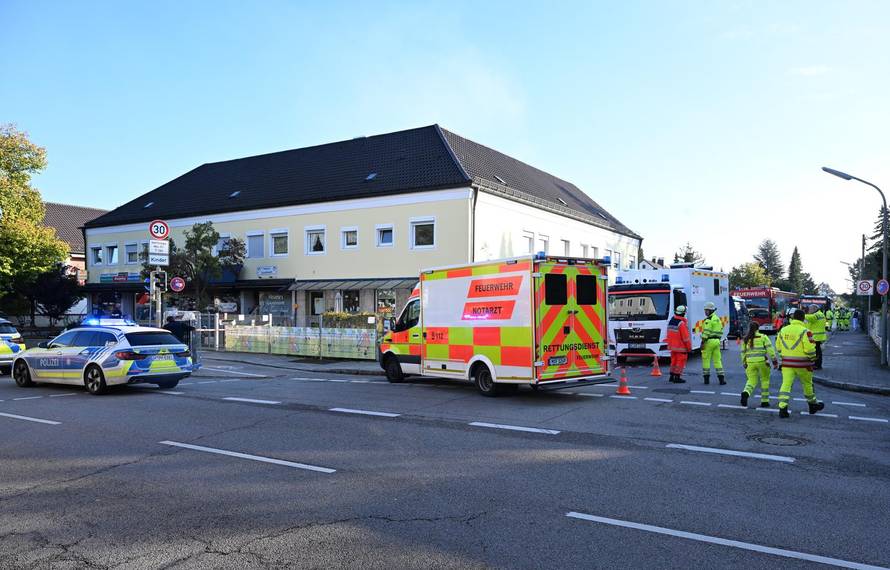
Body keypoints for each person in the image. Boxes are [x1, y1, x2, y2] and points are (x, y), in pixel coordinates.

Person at [776, 309, 824, 419]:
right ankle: (812, 405)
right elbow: (810, 349)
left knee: (786, 384)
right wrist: (813, 359)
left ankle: (783, 409)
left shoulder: (783, 330)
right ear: (803, 318)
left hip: (787, 364)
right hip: (803, 364)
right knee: (807, 385)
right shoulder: (806, 331)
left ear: (793, 318)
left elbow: (778, 347)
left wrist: (784, 356)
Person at [740, 322, 778, 408]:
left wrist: (744, 362)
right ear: (758, 328)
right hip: (762, 362)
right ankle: (765, 401)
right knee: (765, 380)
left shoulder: (745, 339)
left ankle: (746, 393)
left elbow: (743, 352)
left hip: (750, 363)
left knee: (751, 380)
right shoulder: (763, 337)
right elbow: (771, 351)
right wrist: (774, 362)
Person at [666, 305, 692, 383]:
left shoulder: (671, 321)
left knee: (673, 362)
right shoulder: (681, 323)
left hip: (672, 347)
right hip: (681, 347)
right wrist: (689, 348)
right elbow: (686, 338)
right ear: (683, 313)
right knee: (680, 363)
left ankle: (671, 376)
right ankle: (677, 377)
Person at [701, 301, 725, 385]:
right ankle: (721, 380)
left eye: (706, 310)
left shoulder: (708, 320)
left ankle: (706, 379)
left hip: (709, 341)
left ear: (711, 310)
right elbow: (721, 330)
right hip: (717, 341)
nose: (705, 312)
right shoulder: (717, 319)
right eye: (705, 310)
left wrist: (702, 342)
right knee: (717, 360)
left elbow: (706, 333)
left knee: (706, 360)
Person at [804, 304, 827, 370]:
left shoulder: (817, 314)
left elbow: (810, 317)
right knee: (817, 351)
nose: (809, 311)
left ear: (814, 309)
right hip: (818, 336)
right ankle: (817, 364)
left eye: (810, 309)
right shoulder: (820, 314)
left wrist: (800, 314)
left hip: (816, 337)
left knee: (816, 352)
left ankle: (817, 365)